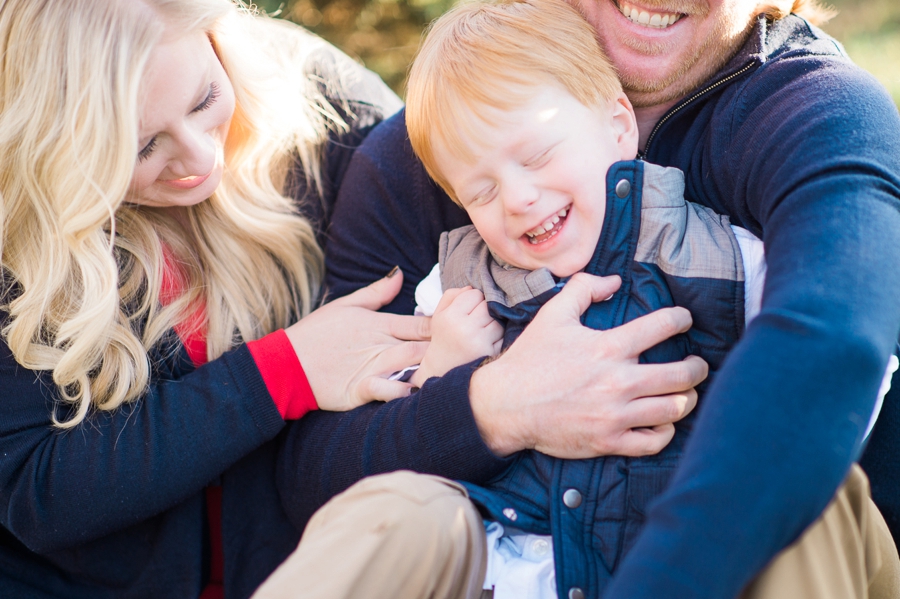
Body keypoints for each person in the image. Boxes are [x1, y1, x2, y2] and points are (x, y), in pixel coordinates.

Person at [276, 0, 900, 597]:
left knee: (806, 496)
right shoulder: (427, 159)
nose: (518, 198)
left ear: (616, 122)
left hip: (707, 549)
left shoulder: (814, 114)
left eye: (539, 154)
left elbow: (829, 345)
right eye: (481, 191)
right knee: (403, 513)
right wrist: (487, 406)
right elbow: (320, 469)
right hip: (522, 543)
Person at [0, 0, 440, 596]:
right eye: (142, 146)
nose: (201, 158)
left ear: (217, 40)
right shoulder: (19, 241)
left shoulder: (323, 107)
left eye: (205, 100)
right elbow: (37, 491)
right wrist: (285, 373)